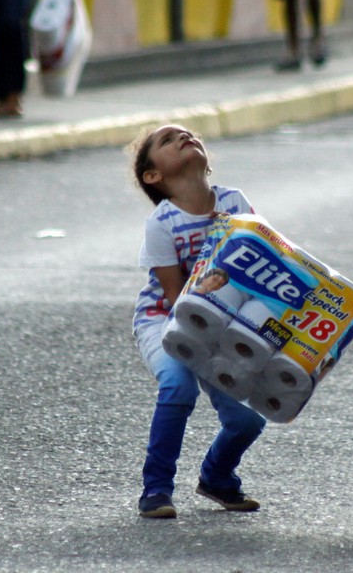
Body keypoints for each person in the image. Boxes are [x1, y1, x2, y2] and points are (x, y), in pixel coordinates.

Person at [129, 123, 266, 519]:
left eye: (187, 134)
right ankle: (156, 489)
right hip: (167, 320)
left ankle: (218, 477)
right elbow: (175, 298)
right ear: (153, 176)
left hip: (224, 321)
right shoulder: (162, 223)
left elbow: (263, 261)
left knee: (247, 420)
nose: (183, 138)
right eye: (168, 141)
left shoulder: (235, 201)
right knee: (178, 386)